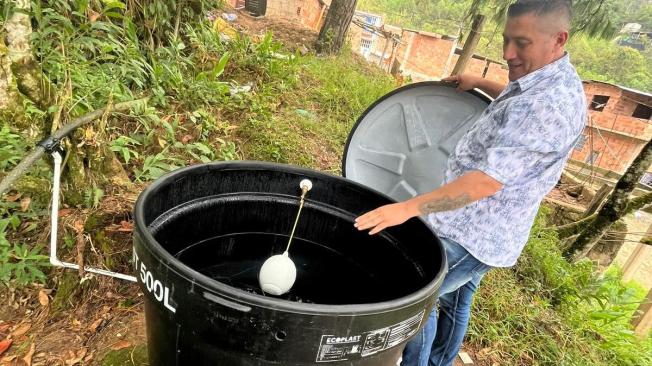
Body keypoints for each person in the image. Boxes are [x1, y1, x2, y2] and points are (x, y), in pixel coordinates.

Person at [353, 1, 587, 365]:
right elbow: (517, 105)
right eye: (507, 40)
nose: (509, 53)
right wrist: (480, 83)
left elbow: (483, 184)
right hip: (487, 226)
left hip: (473, 229)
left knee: (418, 299)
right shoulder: (548, 77)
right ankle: (441, 361)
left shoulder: (550, 105)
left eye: (521, 43)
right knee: (456, 298)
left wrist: (408, 207)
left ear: (559, 38)